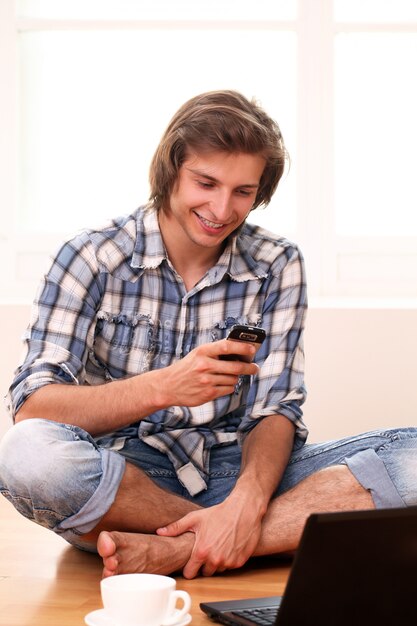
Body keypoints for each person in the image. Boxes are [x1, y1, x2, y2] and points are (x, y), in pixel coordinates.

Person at [0, 90, 416, 580]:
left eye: (243, 191)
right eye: (206, 182)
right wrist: (162, 387)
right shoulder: (91, 257)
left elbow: (275, 409)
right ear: (171, 170)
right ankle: (235, 539)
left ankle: (178, 550)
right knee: (27, 454)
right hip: (122, 483)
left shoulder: (276, 264)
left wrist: (246, 502)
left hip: (236, 475)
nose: (222, 209)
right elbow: (33, 407)